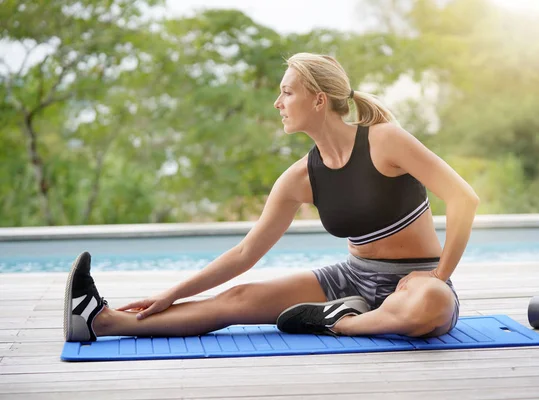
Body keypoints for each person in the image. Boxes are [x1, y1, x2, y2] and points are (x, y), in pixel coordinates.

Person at [64, 53, 479, 343]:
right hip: (350, 279)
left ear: (319, 99)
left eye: (287, 93)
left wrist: (439, 276)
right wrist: (173, 292)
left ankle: (341, 323)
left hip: (417, 279)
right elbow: (246, 252)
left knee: (429, 306)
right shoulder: (300, 178)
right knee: (235, 300)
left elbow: (464, 200)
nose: (277, 103)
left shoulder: (385, 141)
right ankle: (103, 319)